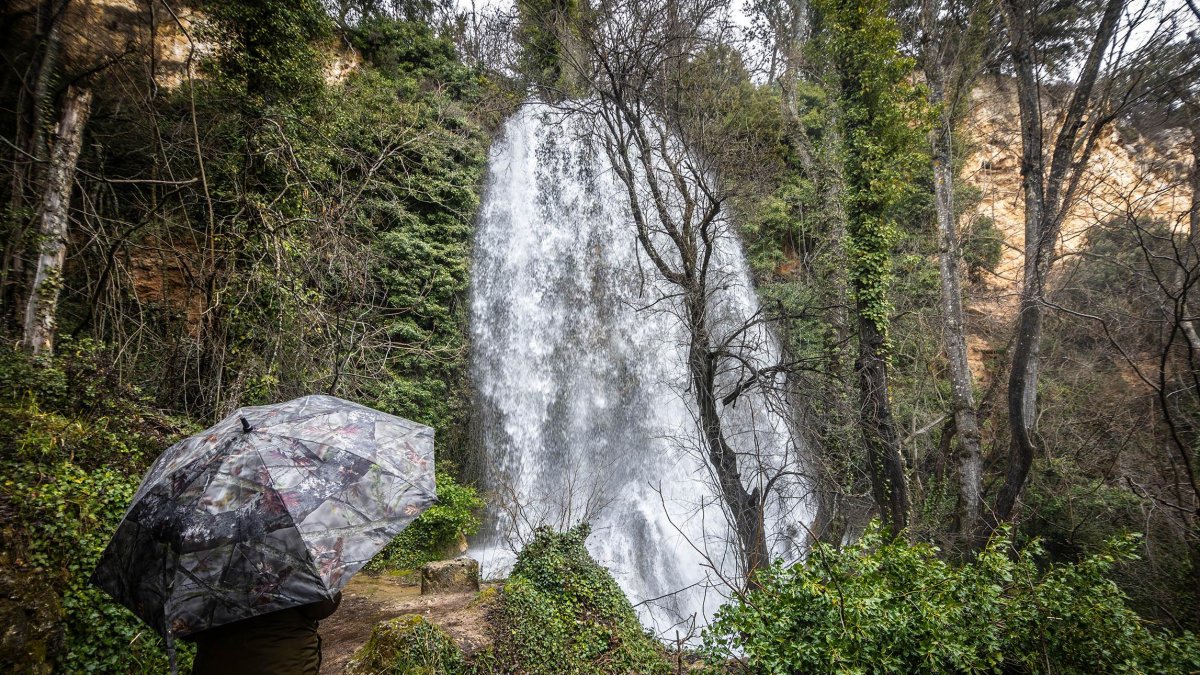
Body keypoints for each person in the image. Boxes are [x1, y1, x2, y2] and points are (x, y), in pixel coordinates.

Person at [186, 592, 342, 675]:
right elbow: (320, 607)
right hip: (284, 663)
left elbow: (186, 629)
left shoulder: (201, 560)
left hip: (215, 664)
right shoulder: (285, 549)